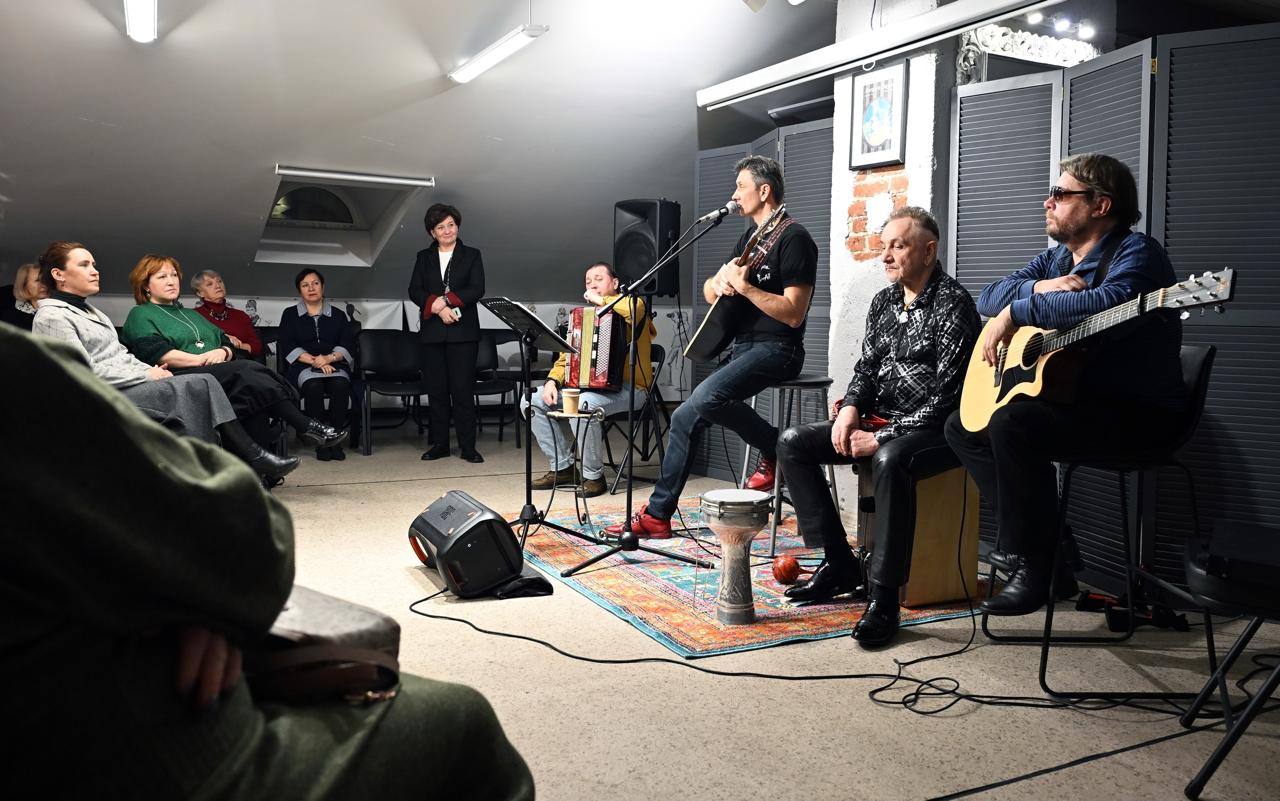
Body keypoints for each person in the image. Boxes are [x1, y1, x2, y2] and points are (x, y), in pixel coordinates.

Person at [0, 324, 535, 801]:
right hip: (127, 748)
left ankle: (285, 441)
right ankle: (280, 446)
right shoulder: (21, 370)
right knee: (462, 719)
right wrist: (194, 598)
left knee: (243, 378)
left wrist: (195, 598)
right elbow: (253, 539)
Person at [945, 153, 1186, 617]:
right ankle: (1052, 551)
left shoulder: (1138, 253)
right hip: (1081, 403)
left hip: (1137, 414)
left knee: (1013, 423)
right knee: (962, 426)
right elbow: (988, 296)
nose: (1047, 201)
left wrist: (1018, 312)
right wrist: (1036, 289)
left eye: (1060, 193)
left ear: (1100, 204)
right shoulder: (1057, 258)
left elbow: (1105, 304)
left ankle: (1034, 566)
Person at [776, 208, 980, 649]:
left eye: (897, 246)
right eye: (883, 245)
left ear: (929, 251)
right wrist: (850, 409)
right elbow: (867, 369)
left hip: (938, 431)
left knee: (889, 459)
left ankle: (884, 600)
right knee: (793, 442)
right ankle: (839, 563)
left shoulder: (954, 304)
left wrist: (881, 438)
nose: (885, 255)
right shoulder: (885, 301)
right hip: (881, 419)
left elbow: (949, 399)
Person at [608, 155, 817, 538]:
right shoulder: (751, 240)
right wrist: (718, 284)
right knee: (684, 416)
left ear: (764, 191)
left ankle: (779, 449)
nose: (734, 194)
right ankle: (657, 515)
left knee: (706, 397)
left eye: (741, 186)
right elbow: (710, 290)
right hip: (744, 347)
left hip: (779, 348)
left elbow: (793, 314)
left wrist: (746, 288)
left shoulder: (794, 238)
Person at [30, 242, 300, 482]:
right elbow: (78, 371)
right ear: (59, 274)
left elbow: (121, 356)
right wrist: (147, 376)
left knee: (202, 384)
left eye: (94, 264)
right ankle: (249, 457)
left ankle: (222, 471)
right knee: (200, 385)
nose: (95, 271)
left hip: (126, 386)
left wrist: (151, 370)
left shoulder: (93, 313)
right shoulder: (52, 317)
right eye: (84, 265)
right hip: (99, 397)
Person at [120, 254, 347, 455]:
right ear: (145, 285)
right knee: (248, 369)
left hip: (213, 375)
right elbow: (159, 354)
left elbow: (227, 340)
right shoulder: (140, 314)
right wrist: (201, 359)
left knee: (253, 399)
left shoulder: (190, 314)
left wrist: (223, 350)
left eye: (174, 275)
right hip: (179, 379)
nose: (171, 281)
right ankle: (305, 425)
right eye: (162, 277)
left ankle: (263, 476)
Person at [527, 262, 656, 498]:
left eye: (598, 279)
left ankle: (593, 477)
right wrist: (552, 382)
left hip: (633, 390)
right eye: (588, 282)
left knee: (583, 403)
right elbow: (566, 357)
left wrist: (602, 301)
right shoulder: (584, 318)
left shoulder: (633, 305)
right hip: (591, 390)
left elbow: (635, 309)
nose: (592, 285)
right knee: (532, 401)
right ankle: (563, 468)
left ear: (615, 283)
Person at [408, 203, 486, 464]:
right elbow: (414, 290)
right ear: (432, 232)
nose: (447, 230)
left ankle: (468, 447)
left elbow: (477, 288)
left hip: (464, 333)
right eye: (440, 227)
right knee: (437, 392)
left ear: (457, 226)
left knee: (462, 391)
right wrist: (438, 307)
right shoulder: (423, 257)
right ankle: (440, 445)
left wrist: (447, 301)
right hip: (432, 333)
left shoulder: (472, 254)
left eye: (451, 225)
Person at [278, 268, 356, 461]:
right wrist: (317, 361)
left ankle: (336, 441)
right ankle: (321, 441)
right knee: (314, 386)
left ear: (323, 286)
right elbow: (287, 345)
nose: (311, 288)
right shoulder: (290, 314)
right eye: (305, 285)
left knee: (340, 385)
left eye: (315, 283)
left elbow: (347, 344)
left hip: (334, 364)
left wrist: (328, 359)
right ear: (300, 290)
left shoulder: (338, 315)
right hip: (303, 365)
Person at [191, 269, 264, 360]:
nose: (218, 286)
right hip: (210, 364)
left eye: (220, 281)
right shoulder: (193, 316)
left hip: (242, 362)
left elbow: (256, 348)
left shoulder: (241, 316)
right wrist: (224, 338)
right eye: (210, 284)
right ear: (199, 293)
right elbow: (194, 345)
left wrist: (237, 345)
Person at [4, 262, 46, 330]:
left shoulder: (60, 310)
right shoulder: (11, 318)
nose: (44, 284)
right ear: (24, 285)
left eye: (46, 279)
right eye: (37, 280)